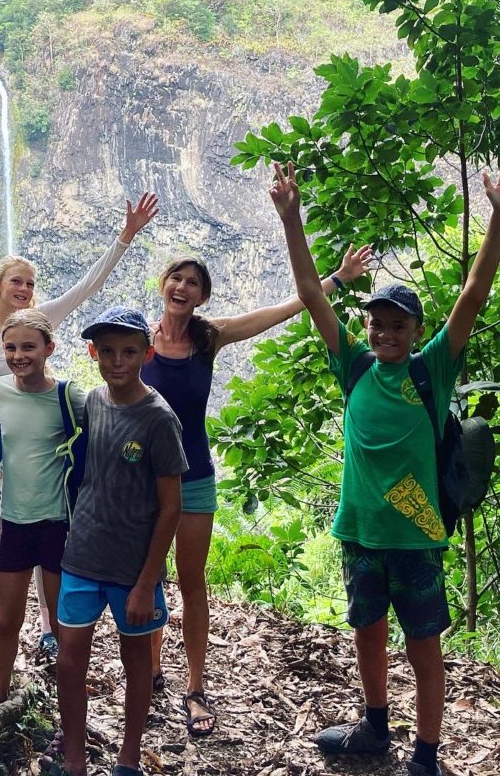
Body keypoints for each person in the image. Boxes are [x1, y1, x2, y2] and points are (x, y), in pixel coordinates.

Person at [271, 161, 500, 776]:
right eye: (377, 323)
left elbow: (474, 293)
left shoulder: (433, 369)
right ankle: (375, 726)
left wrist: (498, 215)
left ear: (416, 333)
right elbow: (315, 296)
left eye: (397, 325)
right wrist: (292, 219)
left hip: (417, 534)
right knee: (366, 629)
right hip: (361, 530)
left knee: (422, 645)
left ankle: (425, 763)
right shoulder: (355, 367)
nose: (384, 332)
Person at [142, 242, 371, 736]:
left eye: (192, 282)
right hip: (143, 479)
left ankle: (196, 687)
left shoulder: (208, 338)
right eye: (176, 278)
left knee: (191, 581)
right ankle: (152, 668)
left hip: (195, 475)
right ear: (163, 285)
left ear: (202, 296)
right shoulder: (138, 339)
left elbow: (277, 312)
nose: (182, 287)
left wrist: (337, 279)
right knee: (149, 576)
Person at [0, 193, 158, 662]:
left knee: (49, 542)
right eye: (17, 282)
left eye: (30, 283)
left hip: (45, 455)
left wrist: (125, 237)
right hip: (1, 456)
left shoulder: (44, 319)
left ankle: (50, 625)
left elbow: (86, 289)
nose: (25, 289)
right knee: (3, 541)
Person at [21, 307, 186, 776]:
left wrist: (145, 581)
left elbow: (171, 506)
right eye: (108, 351)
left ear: (147, 354)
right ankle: (72, 765)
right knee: (70, 662)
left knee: (137, 662)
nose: (117, 360)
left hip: (132, 568)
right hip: (82, 556)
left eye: (129, 351)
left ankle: (128, 764)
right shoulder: (93, 401)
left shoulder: (158, 418)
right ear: (94, 353)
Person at [0, 309, 86, 703]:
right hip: (13, 520)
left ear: (49, 348)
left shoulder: (66, 395)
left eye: (29, 346)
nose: (18, 355)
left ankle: (68, 698)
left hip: (57, 522)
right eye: (11, 347)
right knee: (8, 620)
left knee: (63, 622)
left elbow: (100, 432)